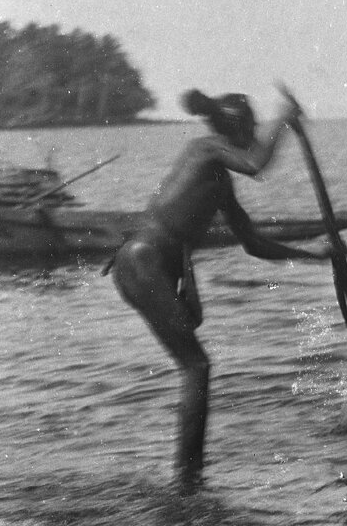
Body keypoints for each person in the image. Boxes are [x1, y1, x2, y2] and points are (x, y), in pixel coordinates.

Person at [110, 88, 328, 491]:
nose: (255, 135)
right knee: (196, 366)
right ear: (239, 129)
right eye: (253, 127)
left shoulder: (221, 180)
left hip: (141, 265)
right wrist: (284, 117)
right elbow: (258, 163)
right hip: (143, 261)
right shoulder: (204, 149)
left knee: (194, 365)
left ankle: (187, 474)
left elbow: (254, 243)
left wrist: (315, 253)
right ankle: (187, 480)